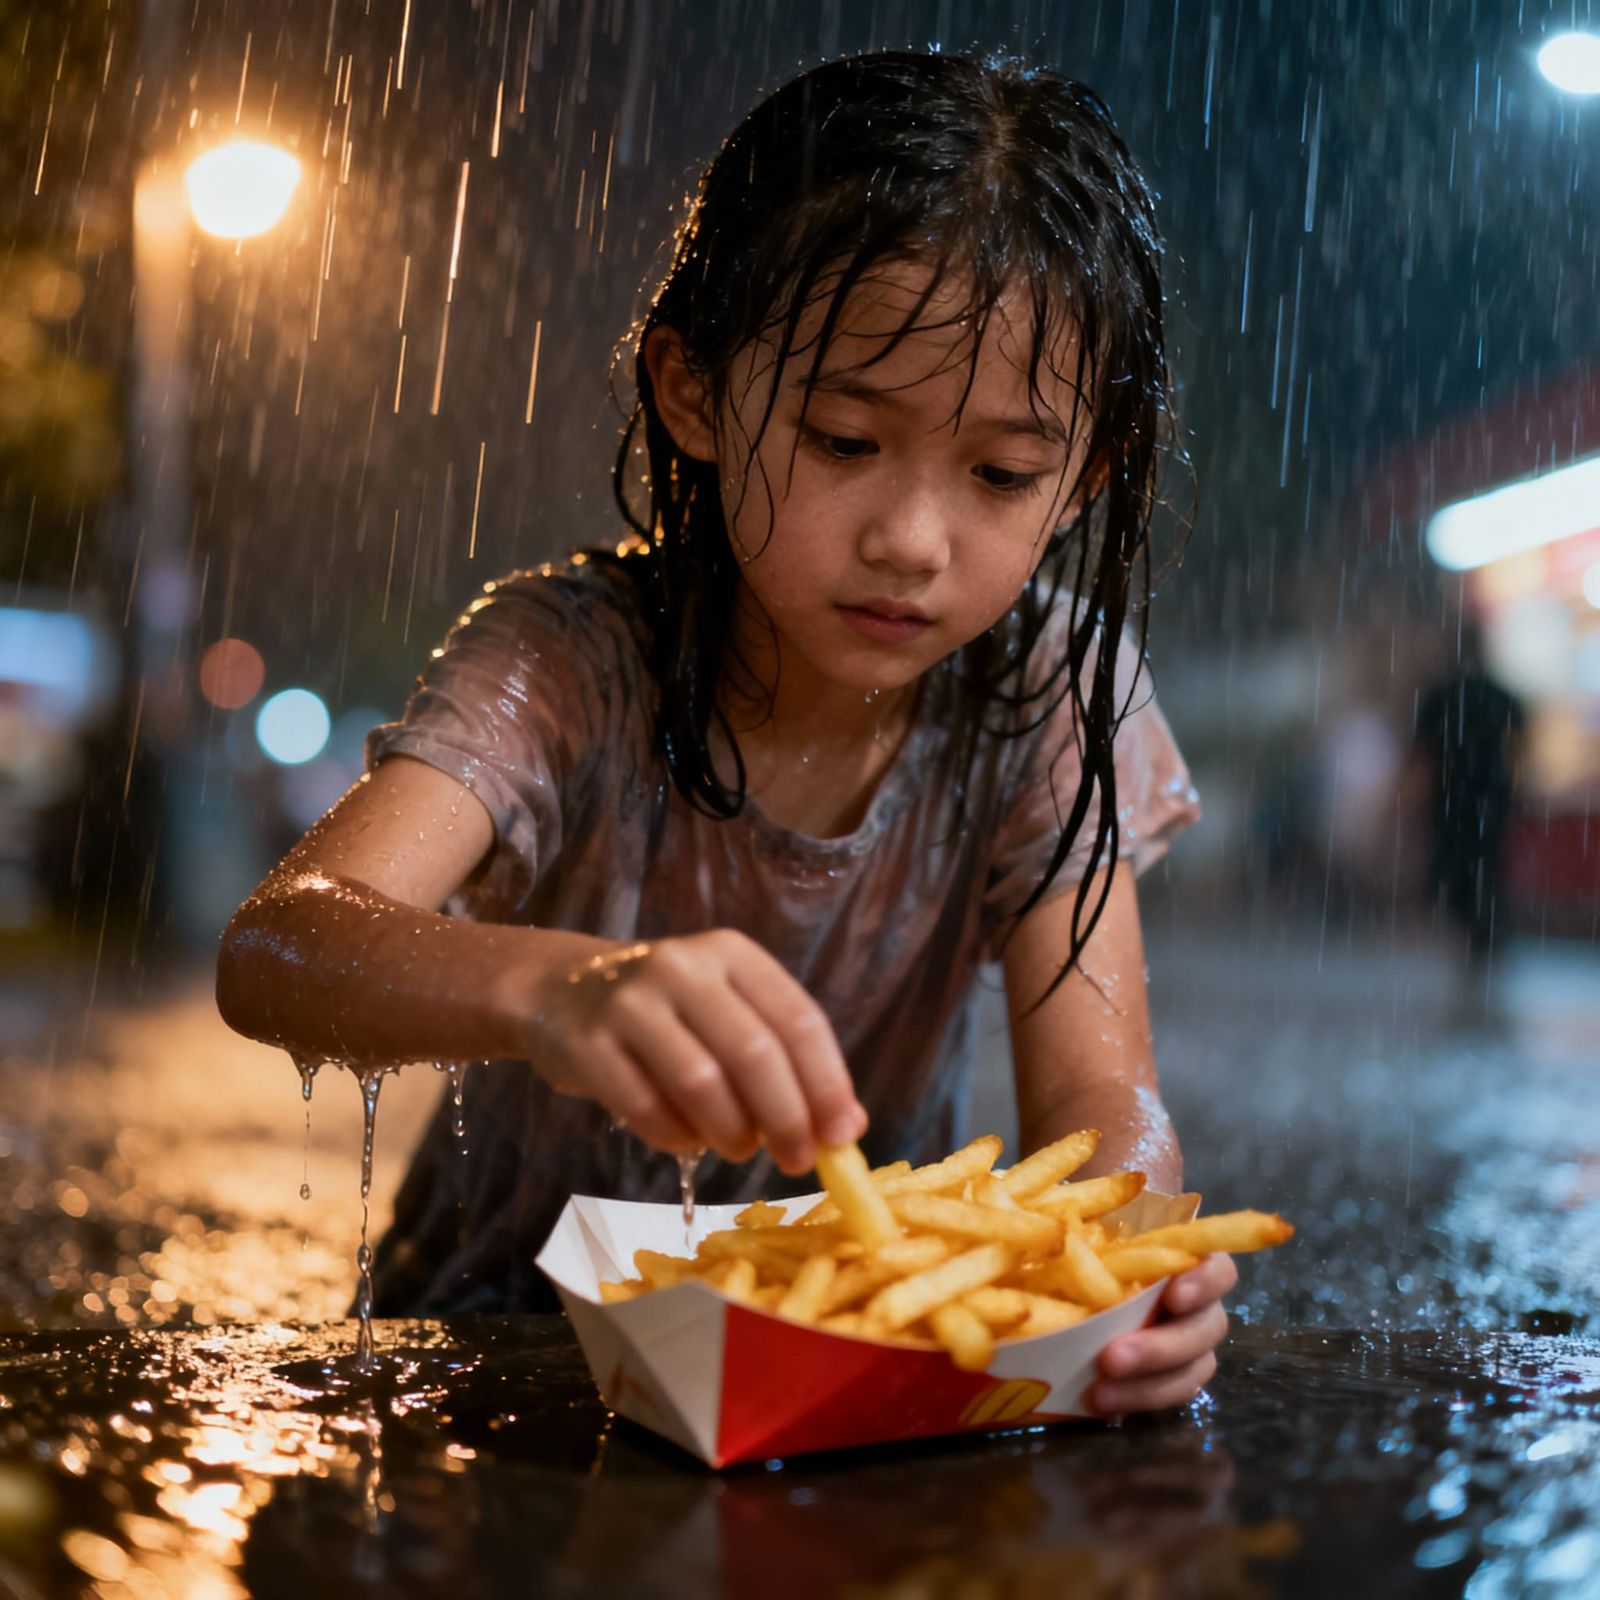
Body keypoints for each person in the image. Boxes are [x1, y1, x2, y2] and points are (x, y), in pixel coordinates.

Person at [217, 49, 1231, 1419]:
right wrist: (561, 989)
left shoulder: (1055, 690)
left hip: (862, 1372)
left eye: (1000, 473)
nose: (912, 541)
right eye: (841, 440)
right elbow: (286, 945)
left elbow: (1107, 1101)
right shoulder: (569, 659)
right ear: (694, 391)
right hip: (497, 1359)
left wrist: (1128, 1264)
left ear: (1083, 478)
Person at [1413, 623, 1526, 983]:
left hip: (1451, 798)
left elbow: (1423, 753)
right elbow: (1520, 741)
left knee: (1455, 864)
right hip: (1490, 797)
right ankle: (1485, 932)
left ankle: (1471, 932)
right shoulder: (1499, 695)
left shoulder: (1442, 695)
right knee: (1487, 863)